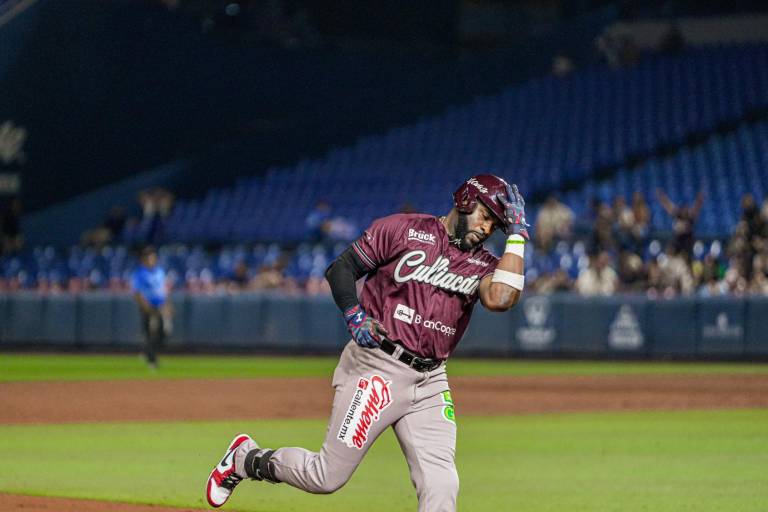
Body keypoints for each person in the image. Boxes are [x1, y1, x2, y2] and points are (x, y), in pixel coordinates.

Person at [204, 175, 530, 511]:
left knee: (442, 483)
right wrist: (353, 313)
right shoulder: (403, 230)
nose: (488, 227)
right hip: (377, 367)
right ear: (465, 201)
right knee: (325, 476)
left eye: (496, 224)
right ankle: (245, 458)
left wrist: (517, 236)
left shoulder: (484, 265)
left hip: (431, 380)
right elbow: (341, 268)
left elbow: (501, 298)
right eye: (485, 215)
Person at [131, 246, 173, 368]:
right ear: (144, 260)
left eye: (153, 258)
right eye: (149, 258)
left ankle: (147, 353)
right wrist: (145, 307)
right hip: (148, 307)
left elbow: (164, 290)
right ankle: (151, 358)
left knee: (164, 331)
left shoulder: (160, 272)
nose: (152, 260)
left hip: (160, 306)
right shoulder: (140, 273)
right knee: (150, 332)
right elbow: (137, 292)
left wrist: (168, 305)